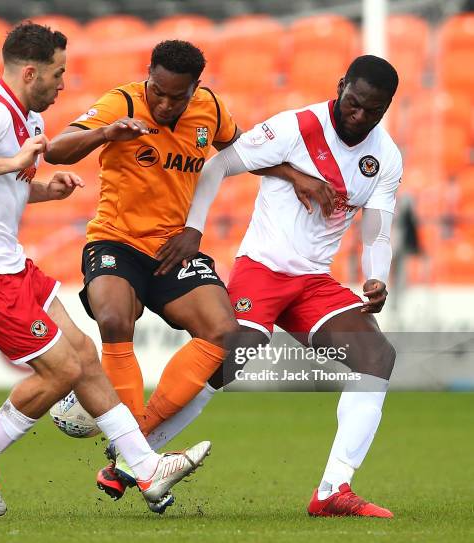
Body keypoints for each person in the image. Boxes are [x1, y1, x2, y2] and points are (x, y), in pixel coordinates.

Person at [0, 22, 211, 517]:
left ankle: (145, 469)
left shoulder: (31, 121)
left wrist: (42, 188)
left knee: (83, 355)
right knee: (61, 370)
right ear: (31, 71)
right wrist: (13, 162)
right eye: (58, 74)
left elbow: (3, 183)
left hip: (10, 265)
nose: (63, 84)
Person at [44, 39, 335, 501]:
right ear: (148, 76)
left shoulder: (210, 111)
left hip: (172, 248)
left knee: (225, 333)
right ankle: (142, 458)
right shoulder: (120, 102)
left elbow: (244, 150)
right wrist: (105, 134)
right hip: (115, 241)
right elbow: (56, 151)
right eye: (156, 90)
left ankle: (133, 446)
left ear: (195, 88)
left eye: (174, 96)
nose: (162, 102)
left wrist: (297, 176)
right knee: (115, 319)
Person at [145, 55, 403, 518]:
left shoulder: (385, 156)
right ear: (340, 85)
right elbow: (217, 165)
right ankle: (136, 452)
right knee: (230, 357)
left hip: (313, 282)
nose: (359, 117)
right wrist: (194, 230)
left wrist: (376, 275)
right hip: (262, 268)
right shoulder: (295, 126)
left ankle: (333, 490)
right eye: (353, 104)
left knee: (377, 357)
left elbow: (378, 227)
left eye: (374, 111)